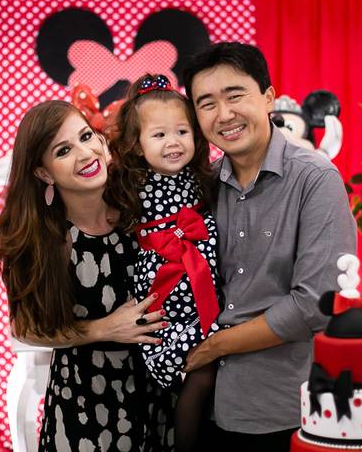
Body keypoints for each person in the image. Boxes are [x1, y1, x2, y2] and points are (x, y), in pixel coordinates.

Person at [181, 42, 358, 450]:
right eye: (206, 103)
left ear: (267, 97)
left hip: (282, 410)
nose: (224, 114)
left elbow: (315, 303)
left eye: (235, 95)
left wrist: (214, 346)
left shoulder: (315, 179)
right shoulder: (202, 185)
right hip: (202, 403)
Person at [0, 100, 177, 452]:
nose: (84, 154)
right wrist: (104, 328)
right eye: (63, 151)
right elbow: (25, 328)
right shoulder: (43, 238)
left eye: (86, 136)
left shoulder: (141, 209)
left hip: (157, 396)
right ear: (44, 173)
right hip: (84, 406)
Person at [107, 74, 222, 452]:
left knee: (212, 375)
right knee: (200, 375)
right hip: (170, 295)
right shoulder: (132, 184)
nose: (173, 142)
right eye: (159, 135)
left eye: (182, 132)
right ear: (137, 145)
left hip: (205, 288)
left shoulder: (204, 178)